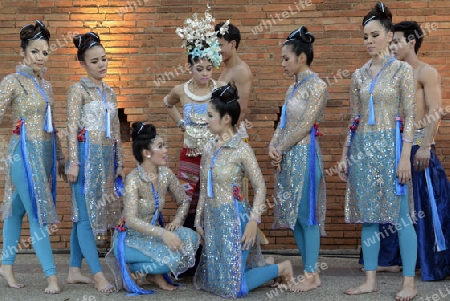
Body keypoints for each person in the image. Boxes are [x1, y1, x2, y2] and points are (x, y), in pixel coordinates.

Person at [338, 2, 418, 300]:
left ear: (388, 36)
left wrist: (405, 156)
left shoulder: (402, 70)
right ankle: (369, 280)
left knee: (401, 217)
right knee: (369, 217)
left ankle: (409, 282)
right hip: (363, 150)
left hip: (392, 148)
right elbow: (354, 118)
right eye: (365, 37)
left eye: (374, 35)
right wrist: (346, 153)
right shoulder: (358, 75)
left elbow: (410, 116)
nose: (368, 41)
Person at [194, 83, 293, 298]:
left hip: (234, 220)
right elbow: (204, 186)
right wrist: (198, 219)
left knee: (232, 288)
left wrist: (253, 221)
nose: (206, 120)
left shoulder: (241, 149)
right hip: (213, 220)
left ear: (226, 119)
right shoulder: (209, 147)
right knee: (214, 283)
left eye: (210, 115)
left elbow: (260, 186)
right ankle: (263, 266)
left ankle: (282, 268)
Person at [0, 20, 65, 294]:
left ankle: (5, 264)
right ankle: (51, 276)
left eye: (45, 52)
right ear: (24, 53)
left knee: (16, 211)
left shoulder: (46, 86)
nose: (40, 57)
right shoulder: (11, 81)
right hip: (23, 154)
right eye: (35, 51)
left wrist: (60, 157)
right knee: (38, 212)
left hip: (45, 153)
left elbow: (53, 124)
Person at [164, 8, 226, 276]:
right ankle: (186, 259)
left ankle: (211, 259)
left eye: (208, 67)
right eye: (199, 68)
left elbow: (228, 118)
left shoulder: (219, 89)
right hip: (189, 154)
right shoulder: (181, 90)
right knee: (187, 201)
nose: (204, 73)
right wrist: (180, 123)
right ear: (189, 67)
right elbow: (167, 104)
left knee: (211, 200)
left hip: (213, 155)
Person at [269, 26, 327, 293]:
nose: (282, 63)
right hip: (289, 157)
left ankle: (312, 273)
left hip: (305, 156)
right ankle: (309, 270)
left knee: (307, 216)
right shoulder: (291, 89)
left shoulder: (317, 85)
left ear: (301, 57)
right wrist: (273, 144)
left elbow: (306, 124)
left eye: (285, 58)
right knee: (294, 216)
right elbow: (282, 124)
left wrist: (281, 147)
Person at [390, 21, 450, 281]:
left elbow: (436, 111)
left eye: (396, 41)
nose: (391, 46)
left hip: (417, 148)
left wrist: (425, 146)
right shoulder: (391, 74)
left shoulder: (426, 72)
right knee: (399, 207)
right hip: (395, 148)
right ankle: (397, 261)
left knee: (425, 206)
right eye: (390, 41)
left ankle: (432, 262)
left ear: (411, 42)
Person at [65, 32, 124, 292]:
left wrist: (119, 161)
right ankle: (98, 274)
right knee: (85, 217)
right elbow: (70, 127)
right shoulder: (77, 90)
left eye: (104, 59)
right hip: (85, 157)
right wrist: (73, 162)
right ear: (82, 64)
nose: (101, 65)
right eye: (94, 61)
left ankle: (74, 270)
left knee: (82, 217)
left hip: (105, 160)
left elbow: (117, 131)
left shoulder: (109, 92)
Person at [112, 122, 200, 293]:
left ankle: (147, 273)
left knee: (191, 237)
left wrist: (177, 220)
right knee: (171, 260)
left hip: (154, 238)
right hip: (130, 240)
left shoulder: (165, 174)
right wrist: (163, 233)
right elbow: (130, 220)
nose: (166, 150)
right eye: (160, 146)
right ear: (147, 153)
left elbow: (183, 201)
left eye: (164, 145)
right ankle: (136, 270)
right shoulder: (133, 180)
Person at [215, 21, 252, 126]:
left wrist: (228, 137)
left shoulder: (241, 70)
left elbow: (241, 110)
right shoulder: (227, 68)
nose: (217, 50)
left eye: (220, 45)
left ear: (232, 44)